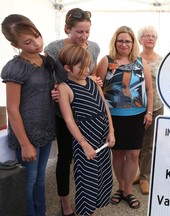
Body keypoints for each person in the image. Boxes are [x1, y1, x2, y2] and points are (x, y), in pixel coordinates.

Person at [44, 8, 100, 215]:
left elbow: (89, 74)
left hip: (86, 113)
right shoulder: (53, 48)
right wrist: (57, 88)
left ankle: (85, 196)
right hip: (63, 111)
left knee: (86, 157)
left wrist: (94, 80)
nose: (83, 37)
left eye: (87, 32)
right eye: (79, 32)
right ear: (68, 29)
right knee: (66, 156)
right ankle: (64, 200)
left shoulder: (94, 48)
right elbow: (48, 78)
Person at [1, 14, 56, 216]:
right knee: (29, 182)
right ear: (15, 44)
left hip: (46, 128)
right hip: (27, 133)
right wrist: (24, 143)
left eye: (37, 36)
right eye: (28, 42)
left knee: (40, 179)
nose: (36, 43)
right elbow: (12, 109)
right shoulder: (15, 68)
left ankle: (40, 213)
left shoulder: (47, 62)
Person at [96, 25, 153, 209]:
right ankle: (121, 187)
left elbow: (149, 90)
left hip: (136, 115)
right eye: (120, 40)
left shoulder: (140, 62)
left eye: (128, 41)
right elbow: (96, 85)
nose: (124, 44)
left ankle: (128, 190)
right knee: (118, 153)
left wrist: (149, 112)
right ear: (115, 42)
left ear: (133, 43)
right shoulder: (106, 61)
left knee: (134, 154)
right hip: (113, 117)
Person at [57, 44, 115, 216]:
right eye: (81, 67)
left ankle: (93, 211)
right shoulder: (64, 88)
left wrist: (111, 131)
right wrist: (84, 144)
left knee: (102, 179)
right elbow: (68, 120)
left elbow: (105, 107)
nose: (86, 70)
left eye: (87, 66)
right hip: (85, 140)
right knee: (87, 182)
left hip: (103, 138)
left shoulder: (92, 81)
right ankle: (85, 212)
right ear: (67, 68)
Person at [133, 25, 164, 195]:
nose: (150, 38)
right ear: (140, 39)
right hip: (136, 107)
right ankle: (140, 171)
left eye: (153, 35)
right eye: (146, 35)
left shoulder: (162, 60)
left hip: (157, 106)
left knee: (149, 144)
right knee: (136, 142)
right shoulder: (134, 59)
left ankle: (145, 177)